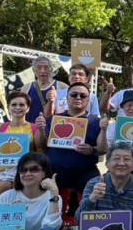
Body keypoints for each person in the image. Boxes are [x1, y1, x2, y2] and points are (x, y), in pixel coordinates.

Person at [38, 81, 102, 219]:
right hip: (55, 170)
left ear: (88, 100)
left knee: (98, 187)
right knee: (39, 184)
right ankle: (47, 225)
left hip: (85, 170)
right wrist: (41, 130)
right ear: (67, 98)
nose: (78, 97)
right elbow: (42, 147)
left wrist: (92, 150)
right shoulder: (55, 119)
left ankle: (90, 228)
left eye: (83, 95)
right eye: (74, 94)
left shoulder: (95, 121)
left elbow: (103, 149)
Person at [25, 56, 67, 123]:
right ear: (33, 70)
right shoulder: (26, 88)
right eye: (39, 68)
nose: (42, 70)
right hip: (31, 129)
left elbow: (65, 112)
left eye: (46, 67)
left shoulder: (62, 87)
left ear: (51, 69)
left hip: (53, 129)